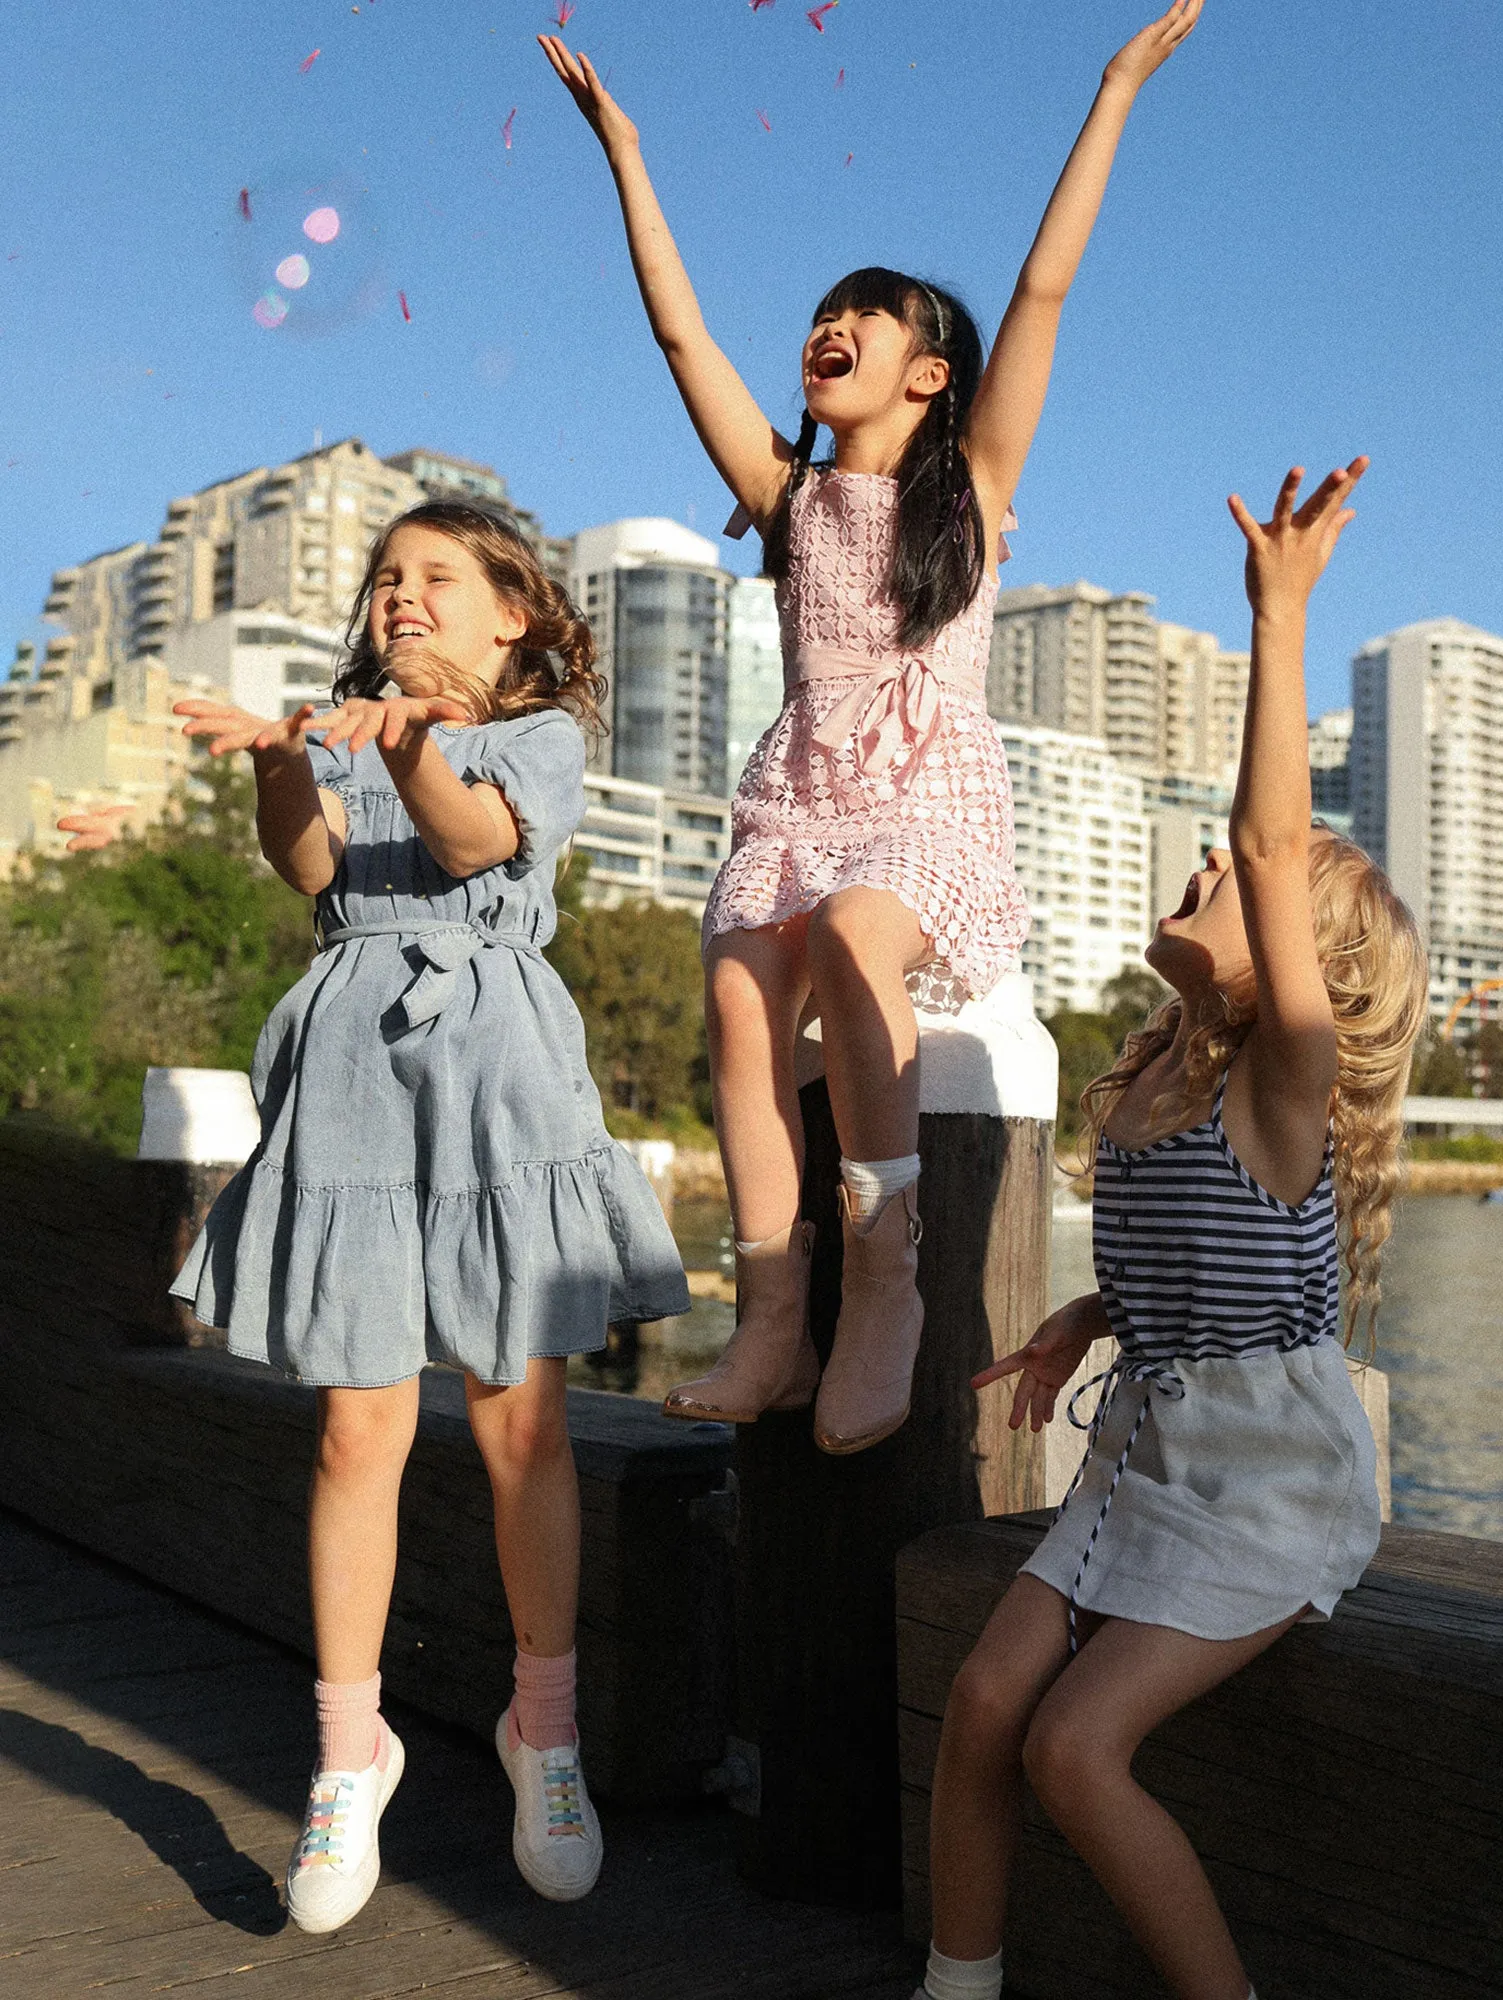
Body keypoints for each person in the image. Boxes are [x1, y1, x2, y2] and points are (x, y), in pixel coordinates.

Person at [540, 1, 1204, 1454]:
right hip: (800, 785)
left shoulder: (971, 479)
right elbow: (676, 328)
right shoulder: (787, 498)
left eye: (868, 314)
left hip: (924, 792)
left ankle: (885, 1270)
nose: (824, 327)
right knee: (734, 989)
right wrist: (628, 155)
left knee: (851, 933)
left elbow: (1041, 290)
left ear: (930, 371)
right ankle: (775, 1309)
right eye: (821, 312)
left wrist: (1112, 93)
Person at [95, 501, 689, 1933]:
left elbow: (479, 842)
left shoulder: (533, 738)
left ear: (517, 616)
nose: (400, 596)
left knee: (516, 1420)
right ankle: (348, 1751)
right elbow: (310, 866)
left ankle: (542, 1728)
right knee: (358, 1425)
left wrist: (410, 739)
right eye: (386, 579)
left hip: (500, 1080)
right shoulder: (336, 725)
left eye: (437, 577)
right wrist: (277, 759)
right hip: (354, 1070)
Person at [914, 459, 1429, 2000]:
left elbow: (1272, 844)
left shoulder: (1287, 1089)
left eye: (1235, 875)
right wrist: (1086, 1320)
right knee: (985, 1698)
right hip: (1145, 1454)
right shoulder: (1152, 1082)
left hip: (1262, 1487)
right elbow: (1187, 1269)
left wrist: (1280, 620)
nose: (1206, 863)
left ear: (1300, 967)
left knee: (1077, 1746)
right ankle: (959, 1981)